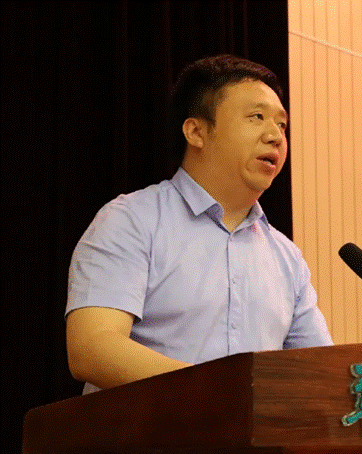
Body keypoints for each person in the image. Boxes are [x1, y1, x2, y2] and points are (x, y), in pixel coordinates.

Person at [65, 54, 333, 393]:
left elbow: (321, 374)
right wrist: (223, 393)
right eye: (257, 117)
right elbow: (93, 348)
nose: (275, 136)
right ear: (197, 131)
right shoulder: (131, 221)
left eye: (281, 125)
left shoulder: (287, 257)